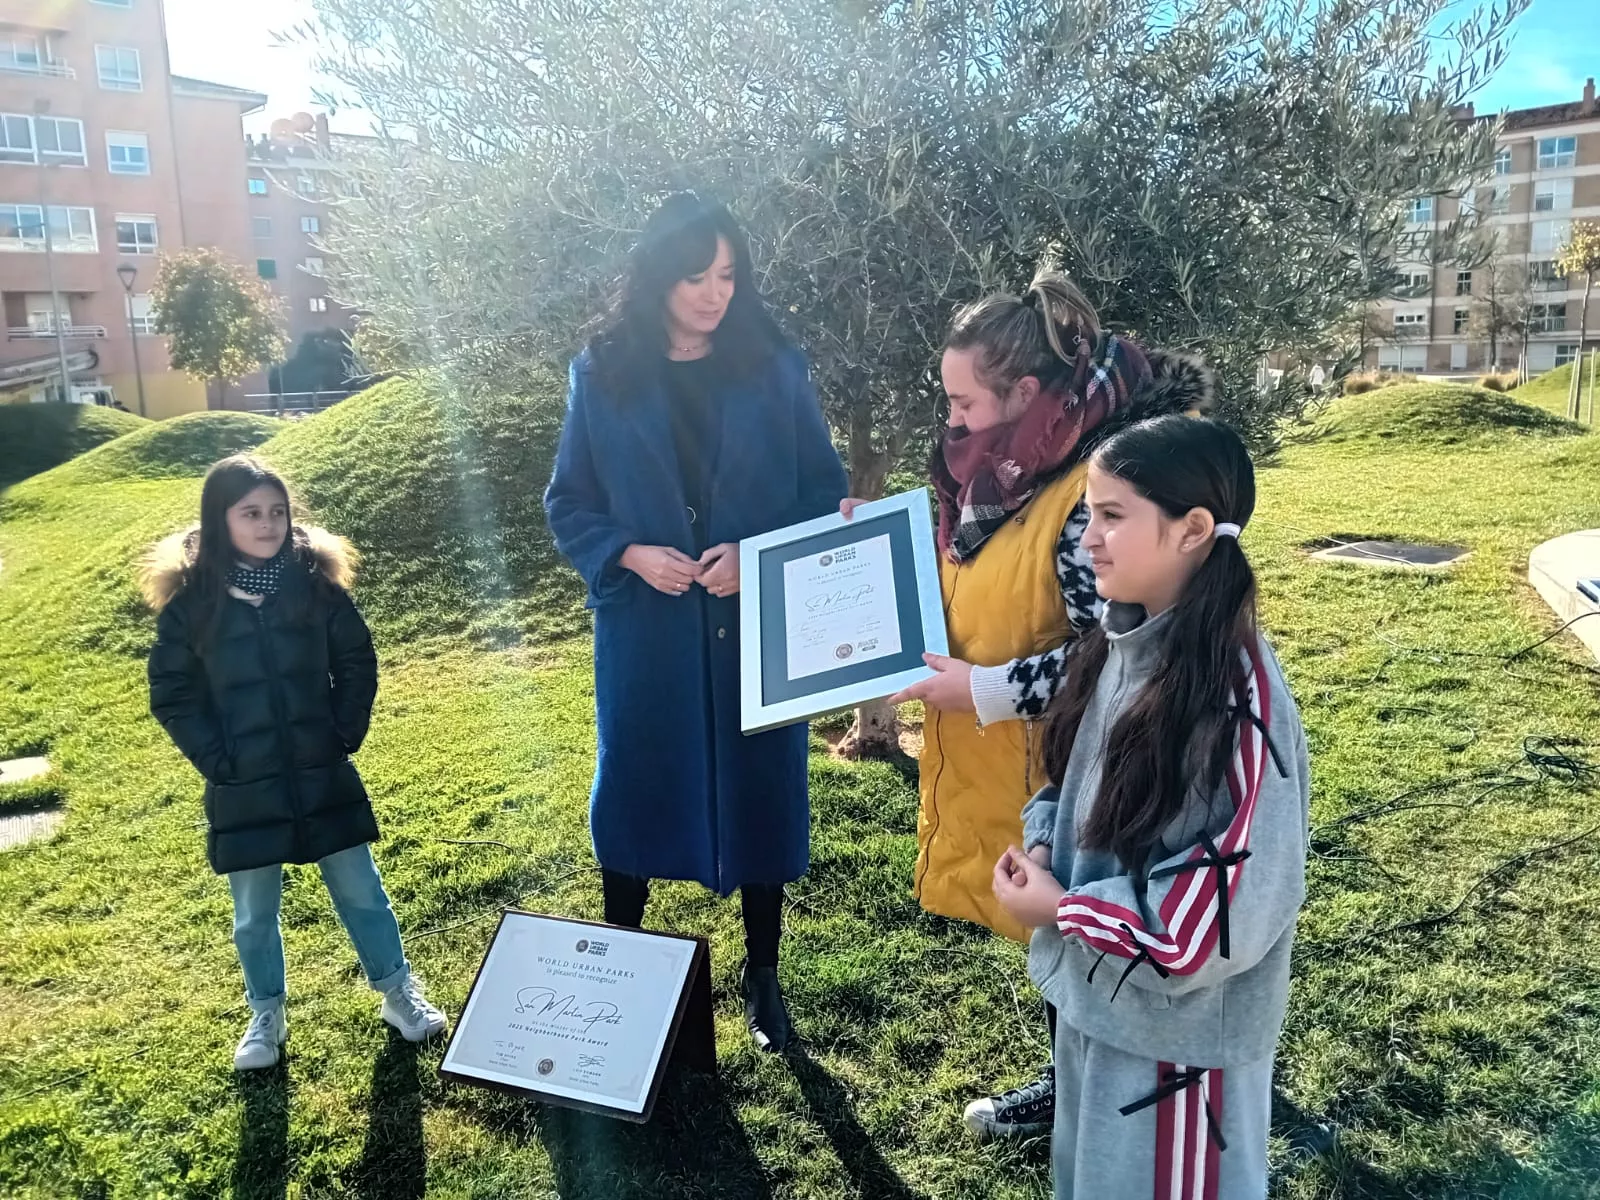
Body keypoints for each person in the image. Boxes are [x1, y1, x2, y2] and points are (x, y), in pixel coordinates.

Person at [843, 273, 1213, 1136]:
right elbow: (985, 583)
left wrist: (982, 690)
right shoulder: (997, 481)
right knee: (1061, 938)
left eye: (963, 402)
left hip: (1088, 775)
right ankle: (1089, 1082)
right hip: (1026, 769)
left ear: (1025, 396)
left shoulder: (1094, 494)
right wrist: (877, 549)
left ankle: (1116, 1097)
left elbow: (1121, 653)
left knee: (1084, 934)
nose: (951, 422)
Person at [544, 193, 847, 1051]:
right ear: (656, 278)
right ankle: (621, 967)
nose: (716, 293)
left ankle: (764, 974)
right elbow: (569, 501)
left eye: (728, 275)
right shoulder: (602, 373)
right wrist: (629, 553)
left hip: (754, 629)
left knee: (763, 790)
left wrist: (758, 557)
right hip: (646, 633)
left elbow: (822, 490)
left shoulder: (774, 367)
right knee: (635, 785)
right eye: (696, 277)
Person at [992, 414, 1310, 1199]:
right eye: (1086, 514)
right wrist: (1045, 845)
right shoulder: (1123, 640)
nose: (1087, 540)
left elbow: (1221, 915)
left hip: (1179, 1053)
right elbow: (1076, 781)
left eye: (1111, 515)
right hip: (1099, 1009)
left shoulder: (1238, 700)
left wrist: (1064, 908)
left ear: (1192, 529)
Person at [142, 455, 446, 1071]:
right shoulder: (193, 606)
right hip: (243, 783)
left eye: (277, 512)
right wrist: (218, 760)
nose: (267, 524)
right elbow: (173, 693)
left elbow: (356, 661)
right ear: (220, 519)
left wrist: (343, 731)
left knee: (363, 892)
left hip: (320, 769)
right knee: (254, 914)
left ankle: (398, 993)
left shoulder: (315, 589)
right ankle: (266, 1014)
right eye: (250, 513)